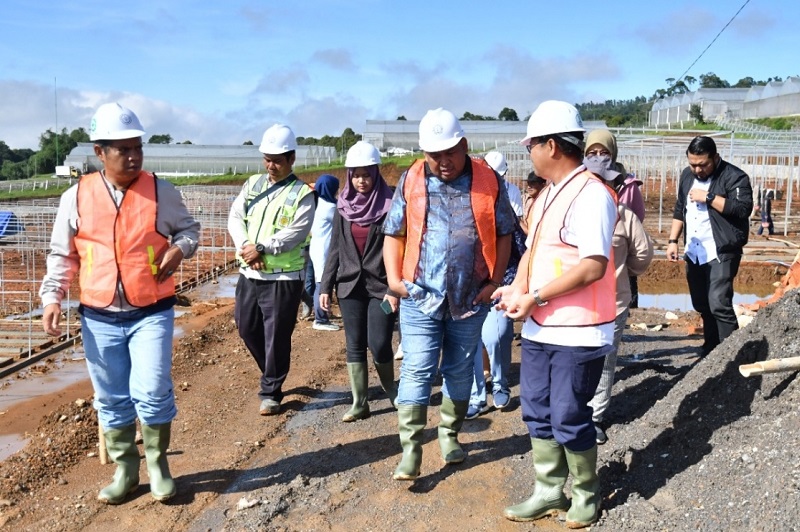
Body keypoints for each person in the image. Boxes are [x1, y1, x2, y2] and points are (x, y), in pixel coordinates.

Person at [39, 102, 200, 504]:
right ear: (99, 152)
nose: (133, 156)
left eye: (137, 147)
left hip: (151, 311)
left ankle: (159, 464)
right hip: (99, 316)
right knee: (110, 397)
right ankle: (126, 468)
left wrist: (180, 249)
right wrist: (52, 296)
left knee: (152, 391)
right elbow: (63, 254)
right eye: (122, 149)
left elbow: (189, 230)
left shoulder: (160, 191)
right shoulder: (75, 197)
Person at [495, 100, 616, 527]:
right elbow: (535, 251)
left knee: (568, 414)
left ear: (550, 145)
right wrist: (517, 287)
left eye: (530, 145)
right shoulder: (547, 194)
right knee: (538, 409)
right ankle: (549, 490)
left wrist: (537, 296)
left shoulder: (591, 195)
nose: (528, 152)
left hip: (579, 330)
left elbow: (592, 265)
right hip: (541, 327)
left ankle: (586, 493)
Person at [383, 108, 515, 481]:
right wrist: (394, 279)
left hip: (471, 298)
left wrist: (492, 281)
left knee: (459, 368)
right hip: (419, 294)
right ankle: (410, 450)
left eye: (449, 153)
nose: (443, 162)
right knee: (418, 368)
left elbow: (505, 231)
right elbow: (393, 232)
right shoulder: (411, 178)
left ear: (464, 144)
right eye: (434, 155)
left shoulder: (488, 179)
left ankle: (449, 435)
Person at [227, 123, 316, 416]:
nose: (271, 165)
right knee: (246, 326)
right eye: (267, 158)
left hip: (282, 277)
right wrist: (246, 246)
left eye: (277, 160)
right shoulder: (252, 184)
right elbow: (236, 217)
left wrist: (263, 247)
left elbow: (297, 231)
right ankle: (272, 369)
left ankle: (271, 390)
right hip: (250, 273)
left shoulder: (302, 193)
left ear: (291, 159)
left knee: (276, 334)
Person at [319, 141, 398, 422]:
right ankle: (359, 402)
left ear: (376, 173)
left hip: (382, 289)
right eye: (356, 175)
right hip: (349, 286)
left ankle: (393, 392)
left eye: (366, 174)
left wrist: (394, 288)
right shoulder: (343, 207)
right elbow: (336, 248)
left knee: (378, 342)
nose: (361, 181)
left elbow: (401, 248)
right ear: (349, 175)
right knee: (354, 343)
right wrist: (325, 286)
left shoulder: (391, 205)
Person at [583, 146, 654, 445]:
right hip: (575, 303)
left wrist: (622, 273)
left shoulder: (624, 217)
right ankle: (572, 413)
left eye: (606, 181)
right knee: (575, 359)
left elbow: (643, 255)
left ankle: (594, 418)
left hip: (613, 302)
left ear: (614, 184)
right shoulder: (574, 213)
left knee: (604, 360)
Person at [666, 136, 753, 356]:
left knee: (719, 303)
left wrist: (710, 197)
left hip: (721, 250)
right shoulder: (687, 176)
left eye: (702, 164)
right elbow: (680, 209)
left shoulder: (735, 177)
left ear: (715, 157)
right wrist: (673, 240)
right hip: (694, 251)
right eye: (692, 164)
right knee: (702, 303)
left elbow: (742, 209)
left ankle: (731, 354)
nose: (697, 169)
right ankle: (711, 348)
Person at [466, 150, 527, 419]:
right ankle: (476, 396)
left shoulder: (505, 214)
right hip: (467, 290)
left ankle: (501, 384)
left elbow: (519, 250)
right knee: (470, 342)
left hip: (500, 286)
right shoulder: (460, 213)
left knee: (497, 335)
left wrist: (512, 285)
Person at [584, 129, 646, 308]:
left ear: (613, 152)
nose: (598, 157)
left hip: (619, 259)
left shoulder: (628, 185)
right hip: (589, 265)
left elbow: (637, 221)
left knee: (620, 301)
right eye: (592, 153)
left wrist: (625, 264)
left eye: (604, 152)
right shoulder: (580, 182)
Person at [309, 173, 341, 331]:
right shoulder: (330, 208)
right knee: (322, 284)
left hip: (318, 248)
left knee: (320, 283)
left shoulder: (317, 203)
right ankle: (320, 320)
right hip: (324, 251)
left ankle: (322, 314)